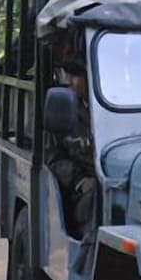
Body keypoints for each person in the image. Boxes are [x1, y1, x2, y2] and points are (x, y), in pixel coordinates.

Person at [47, 52, 96, 237]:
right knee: (95, 199)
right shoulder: (65, 111)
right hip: (83, 190)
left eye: (75, 76)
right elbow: (54, 158)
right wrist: (80, 181)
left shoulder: (118, 107)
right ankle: (87, 249)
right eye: (68, 76)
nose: (69, 82)